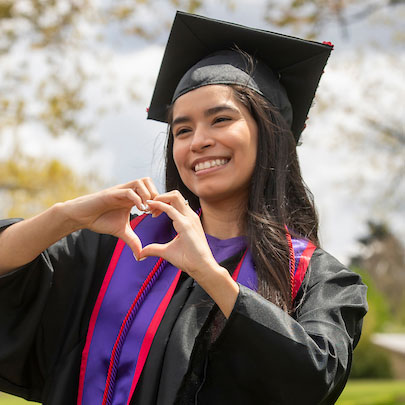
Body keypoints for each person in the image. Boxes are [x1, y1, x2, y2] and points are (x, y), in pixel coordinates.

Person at [0, 11, 367, 405]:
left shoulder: (319, 279)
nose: (198, 141)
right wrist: (65, 216)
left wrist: (207, 273)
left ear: (270, 134)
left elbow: (315, 379)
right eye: (182, 130)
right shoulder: (127, 244)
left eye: (221, 119)